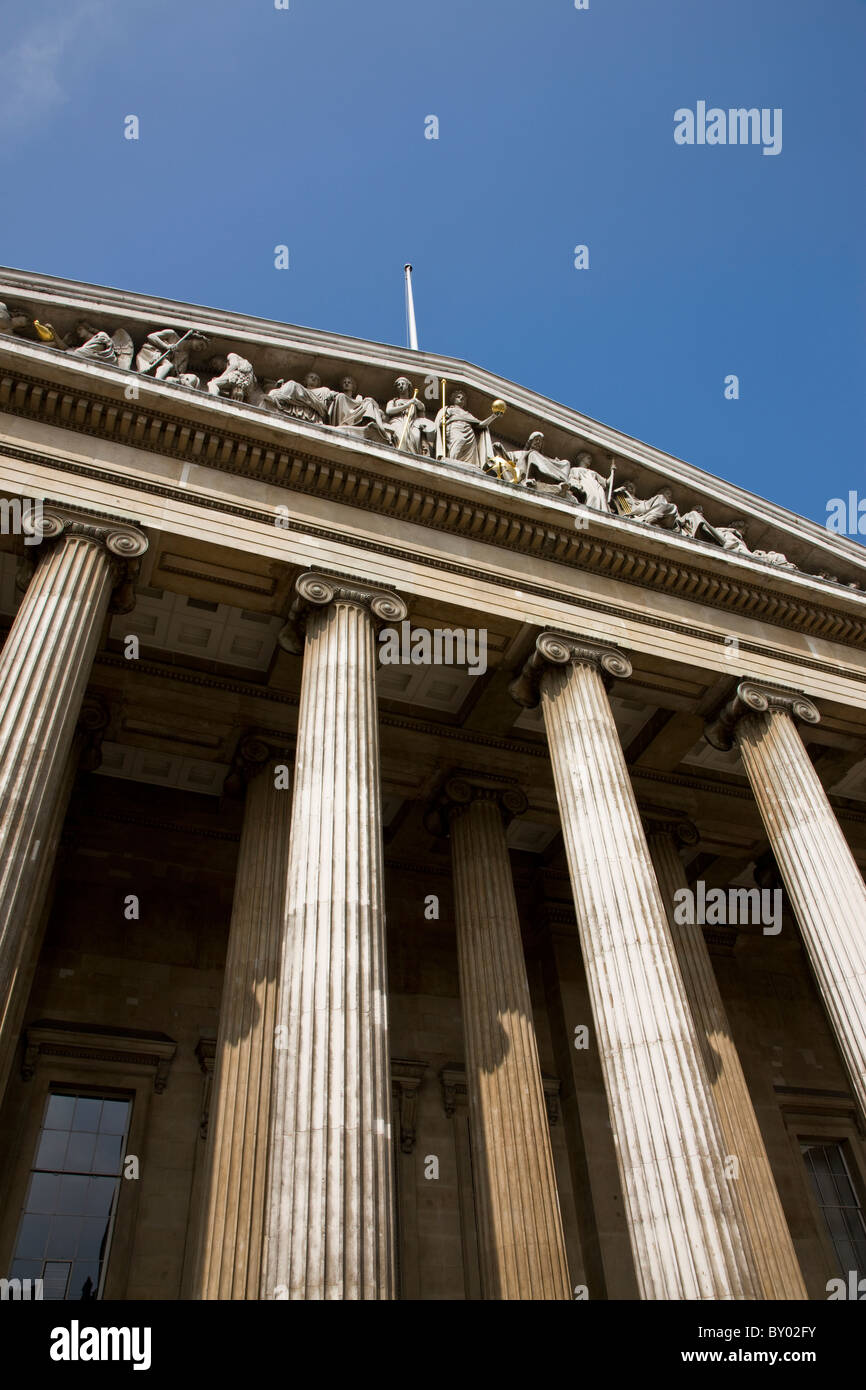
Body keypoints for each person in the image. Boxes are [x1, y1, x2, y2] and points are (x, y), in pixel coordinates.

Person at [434, 389, 497, 469]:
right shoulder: (448, 409)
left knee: (469, 453)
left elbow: (481, 424)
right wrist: (441, 421)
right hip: (455, 428)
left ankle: (470, 467)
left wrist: (494, 416)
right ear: (453, 399)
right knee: (458, 443)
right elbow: (438, 421)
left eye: (463, 398)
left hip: (469, 432)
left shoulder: (467, 414)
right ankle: (451, 462)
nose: (461, 398)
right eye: (458, 397)